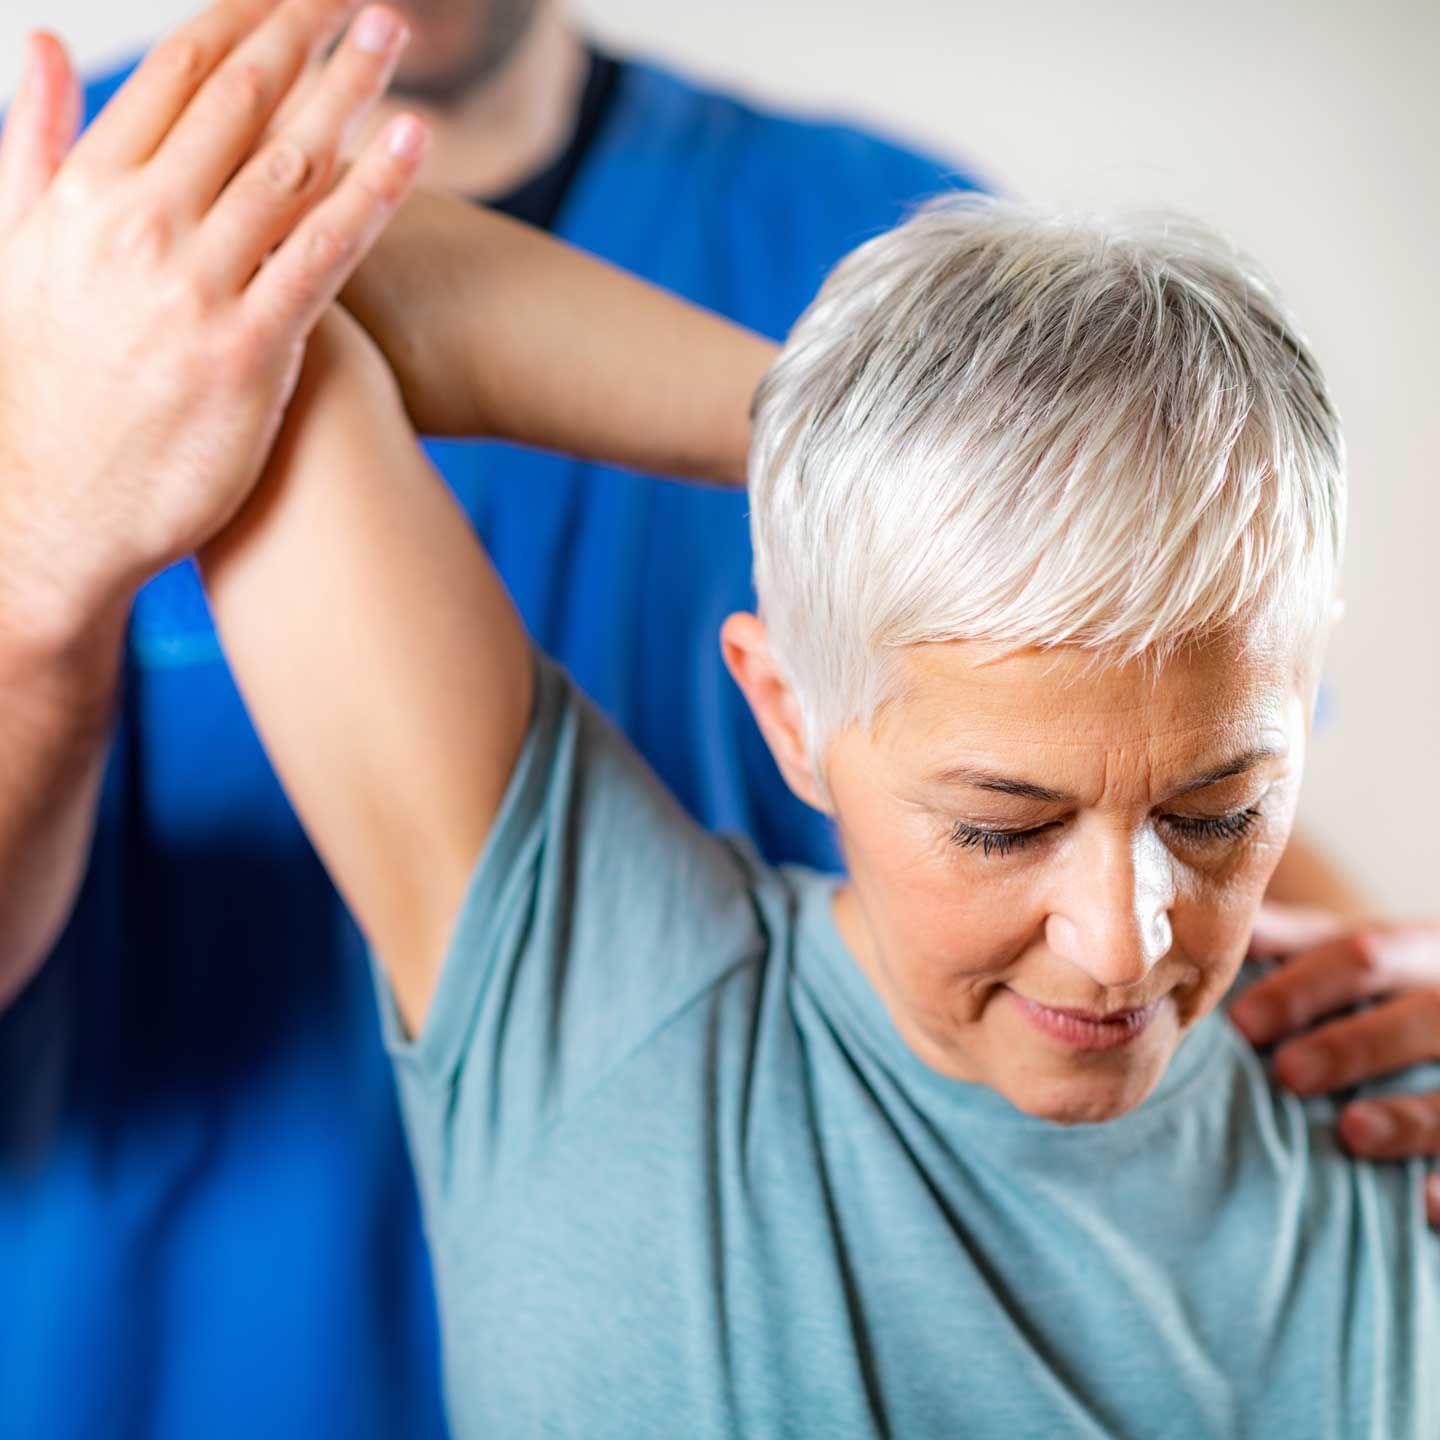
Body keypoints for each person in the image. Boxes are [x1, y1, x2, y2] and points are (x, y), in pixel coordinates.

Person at [0, 0, 1435, 1434]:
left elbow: (1141, 722)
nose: (1123, 937)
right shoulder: (83, 252)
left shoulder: (877, 228)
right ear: (786, 710)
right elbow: (279, 291)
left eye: (1216, 813)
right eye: (1000, 827)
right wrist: (887, 490)